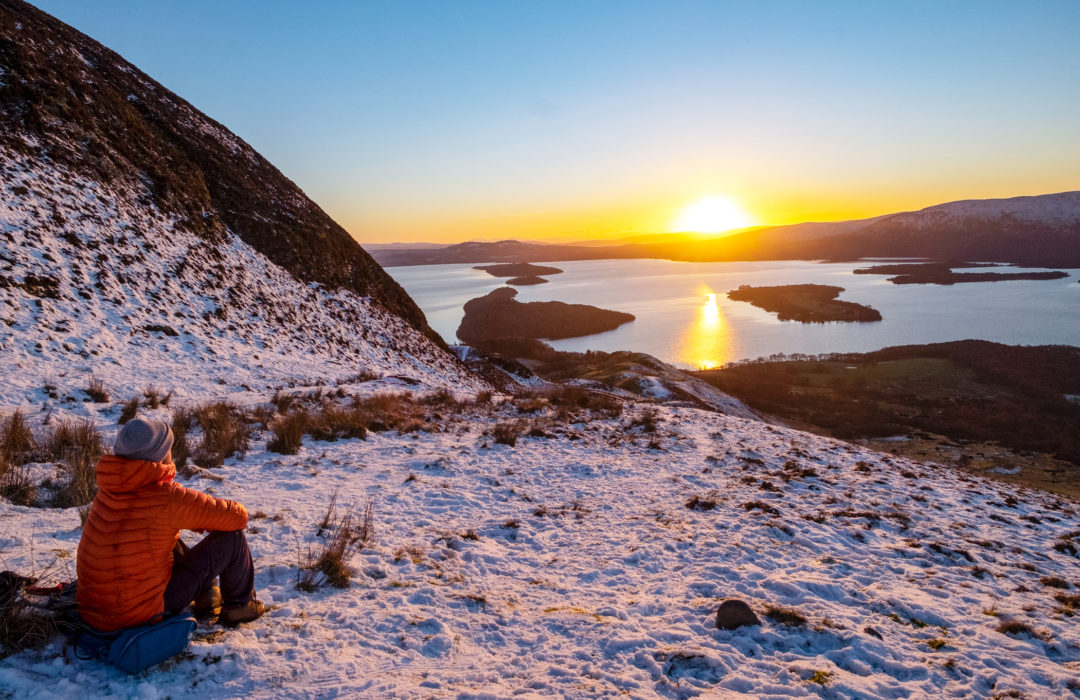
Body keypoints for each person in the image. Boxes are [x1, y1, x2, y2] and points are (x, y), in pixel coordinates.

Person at [76, 417, 265, 632]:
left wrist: (196, 520)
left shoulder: (108, 492)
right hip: (140, 614)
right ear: (160, 456)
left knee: (167, 538)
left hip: (94, 611)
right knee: (233, 538)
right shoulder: (166, 498)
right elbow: (237, 517)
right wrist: (209, 522)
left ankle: (208, 596)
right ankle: (240, 607)